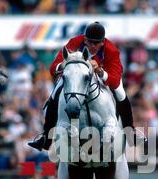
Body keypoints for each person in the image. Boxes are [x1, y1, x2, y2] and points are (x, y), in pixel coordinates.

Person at [28, 21, 147, 151]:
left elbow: (115, 80)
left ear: (103, 42)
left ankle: (131, 133)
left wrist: (101, 71)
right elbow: (53, 68)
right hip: (76, 78)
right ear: (85, 39)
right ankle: (46, 137)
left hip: (103, 77)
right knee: (55, 93)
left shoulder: (111, 50)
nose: (91, 45)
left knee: (121, 94)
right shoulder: (74, 43)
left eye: (96, 43)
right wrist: (64, 65)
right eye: (89, 42)